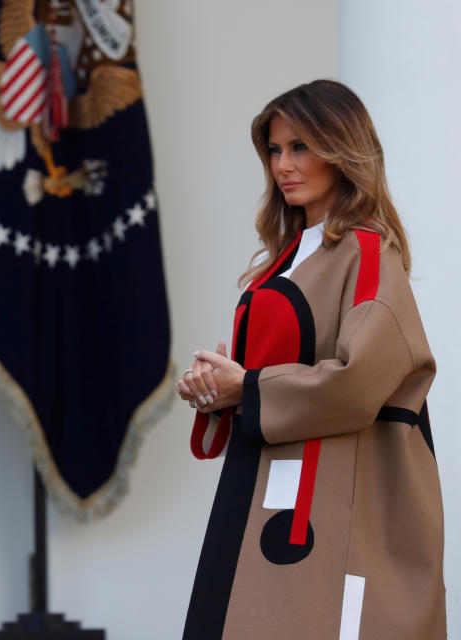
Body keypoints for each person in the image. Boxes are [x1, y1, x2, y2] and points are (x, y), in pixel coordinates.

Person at [176, 80, 445, 639]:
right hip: (269, 480)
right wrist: (215, 385)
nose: (283, 165)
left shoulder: (367, 253)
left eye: (300, 147)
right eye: (275, 150)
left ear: (342, 149)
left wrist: (247, 386)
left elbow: (358, 382)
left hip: (329, 496)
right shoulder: (292, 254)